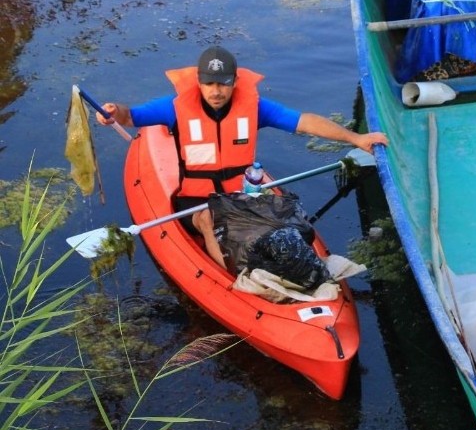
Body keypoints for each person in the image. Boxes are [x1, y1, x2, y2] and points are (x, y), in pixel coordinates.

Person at [96, 45, 388, 268]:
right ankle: (235, 275)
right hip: (195, 201)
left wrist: (356, 138)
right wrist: (113, 113)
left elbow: (305, 122)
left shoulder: (255, 107)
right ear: (199, 82)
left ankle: (288, 265)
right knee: (207, 220)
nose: (216, 91)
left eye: (223, 83)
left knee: (285, 221)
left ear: (234, 81)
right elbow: (131, 115)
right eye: (209, 83)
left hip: (243, 194)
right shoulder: (174, 107)